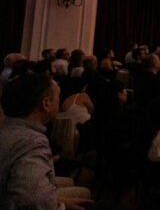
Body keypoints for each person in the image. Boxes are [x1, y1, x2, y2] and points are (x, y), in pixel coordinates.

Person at [0, 73, 93, 210]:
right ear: (46, 104)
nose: (59, 102)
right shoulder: (32, 143)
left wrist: (60, 201)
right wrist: (61, 205)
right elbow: (33, 202)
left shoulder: (7, 128)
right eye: (58, 98)